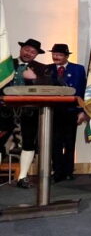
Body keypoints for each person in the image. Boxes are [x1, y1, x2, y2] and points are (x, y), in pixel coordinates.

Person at [12, 38, 50, 188]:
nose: (29, 53)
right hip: (5, 110)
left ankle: (22, 177)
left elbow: (49, 84)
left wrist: (34, 78)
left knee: (28, 142)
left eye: (33, 52)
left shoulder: (41, 68)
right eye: (27, 50)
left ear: (36, 55)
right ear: (21, 49)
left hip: (29, 111)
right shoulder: (7, 65)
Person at [49, 44, 87, 182]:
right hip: (52, 112)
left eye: (59, 55)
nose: (56, 57)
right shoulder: (47, 69)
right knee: (55, 143)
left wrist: (82, 111)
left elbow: (82, 91)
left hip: (71, 111)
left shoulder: (78, 69)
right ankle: (57, 171)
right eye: (54, 54)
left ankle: (69, 171)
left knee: (70, 143)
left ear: (66, 56)